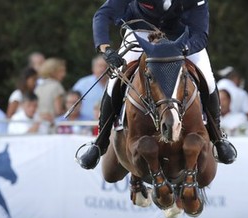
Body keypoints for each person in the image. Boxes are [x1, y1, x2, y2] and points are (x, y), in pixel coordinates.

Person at [77, 0, 237, 169]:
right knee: (115, 79)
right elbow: (103, 14)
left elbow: (200, 34)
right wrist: (106, 49)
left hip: (180, 39)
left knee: (208, 79)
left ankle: (218, 138)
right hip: (141, 33)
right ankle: (100, 143)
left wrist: (182, 48)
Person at [34, 58, 67, 134]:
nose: (64, 74)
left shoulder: (38, 87)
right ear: (53, 72)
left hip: (39, 123)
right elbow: (58, 110)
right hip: (52, 125)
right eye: (61, 71)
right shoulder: (57, 86)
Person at [72, 56, 109, 120]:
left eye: (105, 66)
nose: (103, 69)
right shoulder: (82, 83)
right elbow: (72, 102)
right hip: (86, 124)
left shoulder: (115, 83)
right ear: (93, 68)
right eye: (100, 66)